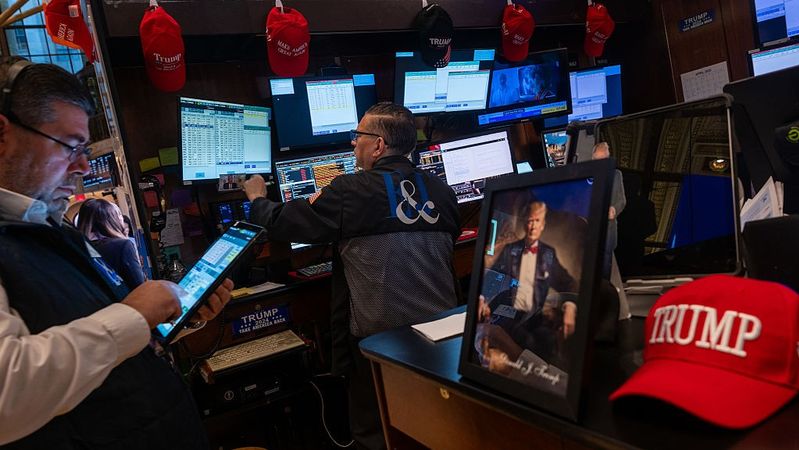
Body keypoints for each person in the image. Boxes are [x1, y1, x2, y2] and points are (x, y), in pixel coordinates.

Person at [0, 57, 233, 448]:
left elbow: (87, 340)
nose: (84, 166)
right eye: (71, 146)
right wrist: (134, 314)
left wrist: (170, 322)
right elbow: (8, 393)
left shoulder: (48, 225)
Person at [243, 102, 460, 450]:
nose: (352, 144)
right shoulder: (443, 191)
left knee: (379, 436)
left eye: (357, 136)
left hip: (381, 347)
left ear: (378, 145)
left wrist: (256, 198)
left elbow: (284, 222)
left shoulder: (349, 191)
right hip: (443, 342)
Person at [482, 201, 577, 368]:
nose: (533, 226)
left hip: (535, 317)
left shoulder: (548, 253)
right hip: (508, 309)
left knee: (540, 347)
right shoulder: (510, 249)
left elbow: (569, 284)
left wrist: (570, 306)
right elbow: (491, 276)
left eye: (537, 221)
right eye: (529, 220)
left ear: (543, 225)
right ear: (525, 223)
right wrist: (483, 300)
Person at [77, 198, 145, 289]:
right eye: (118, 215)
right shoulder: (122, 246)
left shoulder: (78, 248)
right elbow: (139, 287)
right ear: (112, 219)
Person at [592, 142, 626, 279]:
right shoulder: (587, 175)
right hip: (590, 226)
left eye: (605, 160)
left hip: (609, 228)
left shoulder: (617, 175)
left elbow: (622, 200)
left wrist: (614, 209)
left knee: (606, 262)